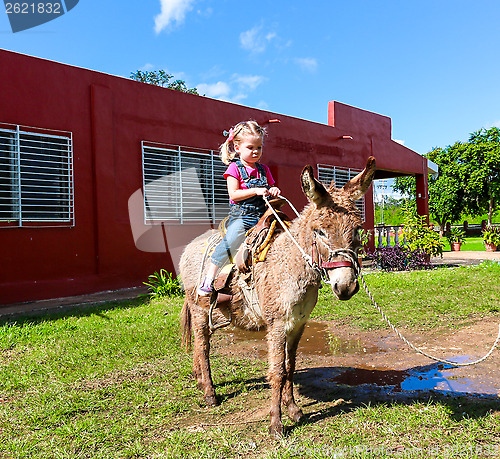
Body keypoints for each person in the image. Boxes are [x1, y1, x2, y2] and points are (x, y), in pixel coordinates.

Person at [197, 121, 281, 296]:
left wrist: (274, 190)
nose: (256, 151)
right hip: (243, 217)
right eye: (250, 147)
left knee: (285, 232)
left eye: (259, 147)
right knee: (231, 240)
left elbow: (271, 188)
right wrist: (255, 190)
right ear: (237, 147)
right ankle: (209, 277)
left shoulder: (264, 169)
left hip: (264, 215)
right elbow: (234, 194)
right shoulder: (234, 168)